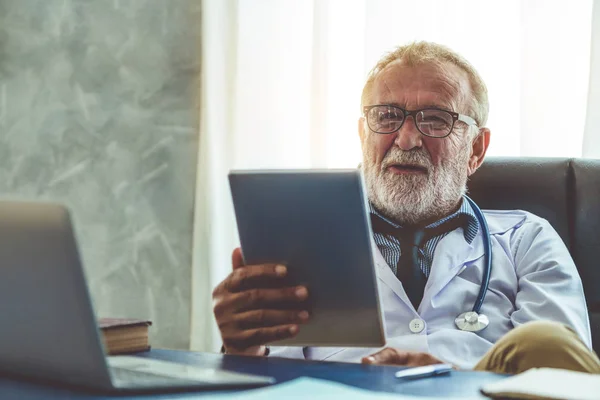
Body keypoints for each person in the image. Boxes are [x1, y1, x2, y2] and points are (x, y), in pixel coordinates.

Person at [212, 41, 600, 374]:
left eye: (435, 119)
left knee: (542, 340)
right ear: (364, 135)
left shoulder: (526, 240)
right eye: (387, 116)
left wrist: (450, 380)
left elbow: (564, 375)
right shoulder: (303, 238)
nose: (407, 138)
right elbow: (268, 381)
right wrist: (243, 346)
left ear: (476, 150)